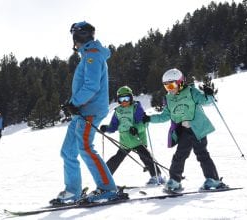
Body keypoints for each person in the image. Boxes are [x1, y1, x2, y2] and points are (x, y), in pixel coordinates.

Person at [51, 21, 122, 205]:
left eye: (74, 36)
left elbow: (92, 85)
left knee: (85, 147)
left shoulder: (93, 55)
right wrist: (72, 104)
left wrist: (74, 103)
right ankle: (72, 191)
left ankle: (107, 188)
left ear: (78, 36)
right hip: (81, 111)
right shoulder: (88, 55)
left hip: (89, 110)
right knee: (67, 151)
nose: (73, 41)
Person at [143, 68, 227, 192]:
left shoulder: (191, 92)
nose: (170, 89)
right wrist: (149, 119)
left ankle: (213, 179)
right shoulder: (169, 98)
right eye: (166, 87)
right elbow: (165, 116)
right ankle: (174, 181)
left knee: (202, 154)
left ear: (180, 82)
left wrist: (209, 94)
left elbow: (206, 101)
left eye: (171, 85)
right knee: (179, 156)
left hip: (197, 129)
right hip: (184, 131)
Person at [99, 86, 165, 185]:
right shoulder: (118, 111)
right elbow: (114, 126)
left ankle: (157, 176)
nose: (124, 101)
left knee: (145, 157)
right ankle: (105, 178)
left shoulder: (136, 107)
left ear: (131, 98)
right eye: (121, 99)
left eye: (127, 98)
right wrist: (106, 128)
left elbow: (143, 123)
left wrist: (136, 129)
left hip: (137, 139)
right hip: (125, 141)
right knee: (116, 159)